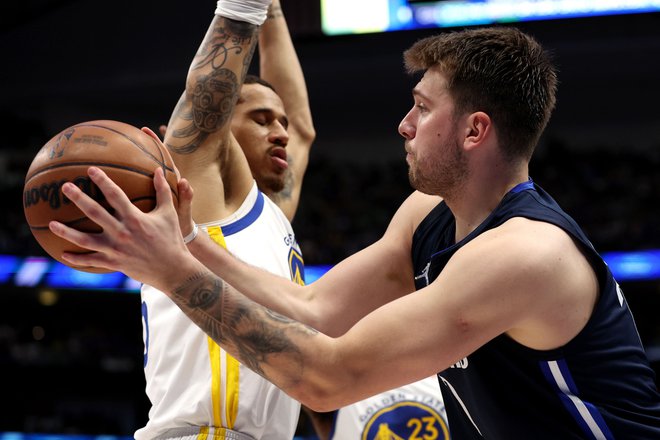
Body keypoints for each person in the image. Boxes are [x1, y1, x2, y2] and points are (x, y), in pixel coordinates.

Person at [49, 26, 660, 438]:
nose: (402, 124)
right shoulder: (428, 215)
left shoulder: (527, 255)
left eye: (421, 107)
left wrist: (170, 271)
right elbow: (315, 308)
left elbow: (328, 379)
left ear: (475, 132)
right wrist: (186, 242)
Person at [92, 1, 307, 438]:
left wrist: (274, 10)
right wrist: (243, 9)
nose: (281, 132)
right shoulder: (203, 198)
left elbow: (301, 128)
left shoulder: (272, 213)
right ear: (226, 129)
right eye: (261, 120)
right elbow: (207, 99)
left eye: (279, 122)